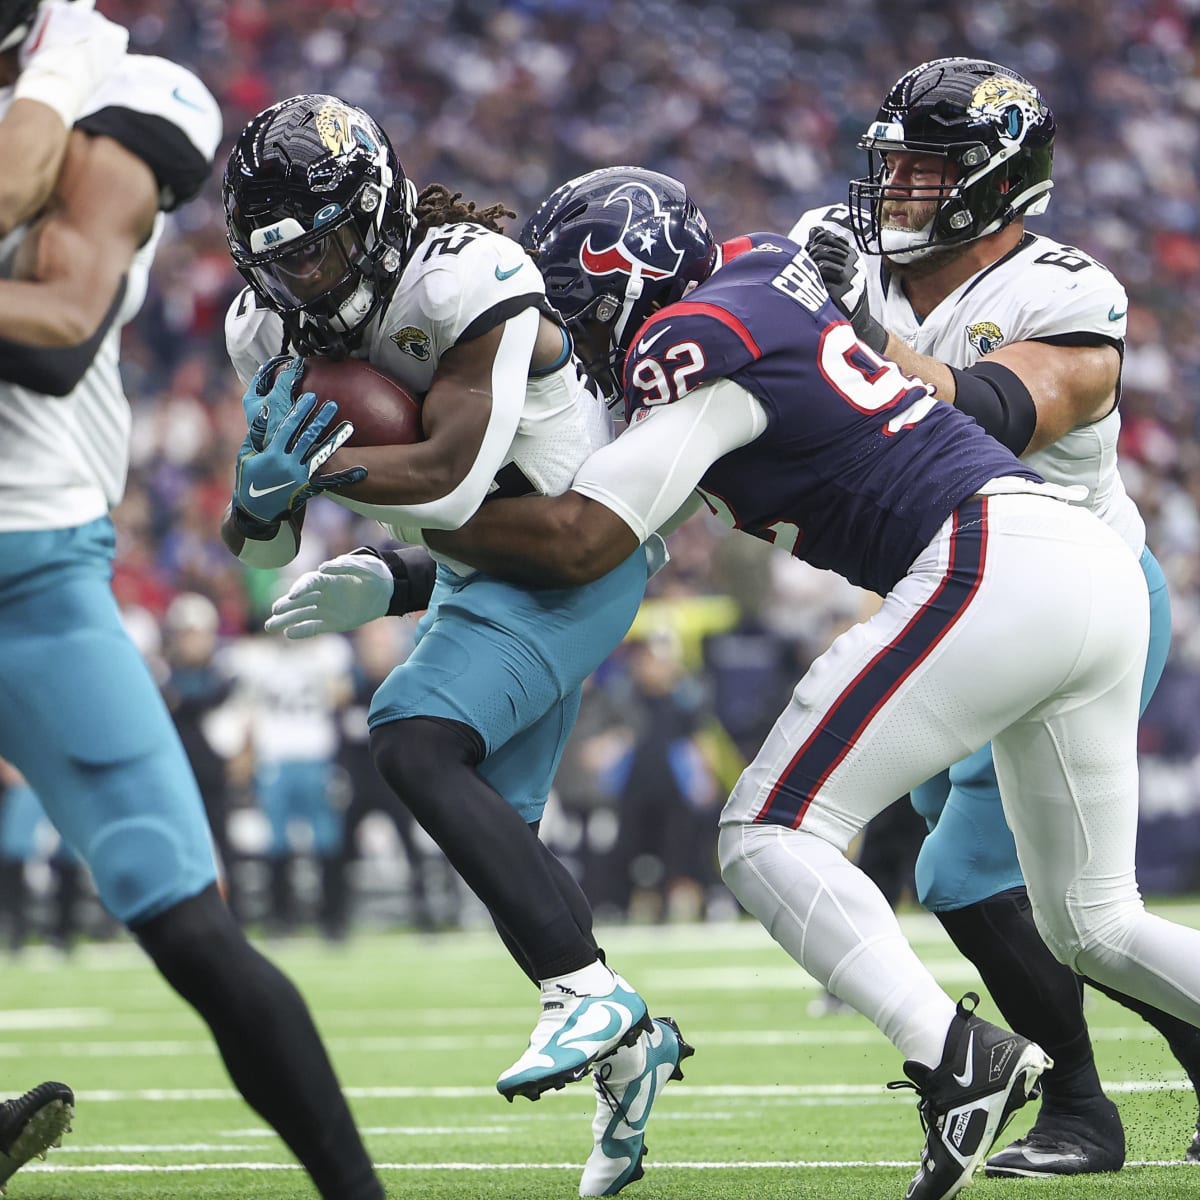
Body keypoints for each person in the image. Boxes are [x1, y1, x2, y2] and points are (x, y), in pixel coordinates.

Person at [288, 161, 1200, 1200]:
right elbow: (635, 519)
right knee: (1097, 924)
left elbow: (586, 537)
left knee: (765, 830)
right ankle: (968, 1056)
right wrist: (413, 574)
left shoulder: (696, 355)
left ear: (625, 291)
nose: (586, 350)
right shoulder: (759, 290)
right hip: (1085, 569)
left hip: (993, 561)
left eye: (585, 318)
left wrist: (368, 493)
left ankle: (955, 1055)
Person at [220, 94, 691, 1197]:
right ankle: (631, 1051)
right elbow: (260, 548)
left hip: (575, 549)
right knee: (505, 848)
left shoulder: (465, 274)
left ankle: (588, 995)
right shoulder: (264, 326)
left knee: (413, 738)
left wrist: (332, 491)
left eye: (327, 243)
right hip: (487, 574)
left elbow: (452, 472)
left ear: (376, 212)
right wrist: (256, 502)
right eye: (282, 259)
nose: (309, 278)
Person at [0, 19, 387, 1200]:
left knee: (192, 926)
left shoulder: (118, 96)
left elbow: (61, 331)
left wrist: (58, 75)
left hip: (31, 581)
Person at [790, 55, 1198, 1176]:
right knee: (1052, 901)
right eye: (894, 168)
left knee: (983, 879)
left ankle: (1077, 1108)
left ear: (994, 182)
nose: (898, 192)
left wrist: (829, 334)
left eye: (924, 171)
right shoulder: (861, 264)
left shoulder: (1065, 294)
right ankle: (1131, 1087)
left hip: (1069, 602)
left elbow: (981, 414)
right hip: (955, 601)